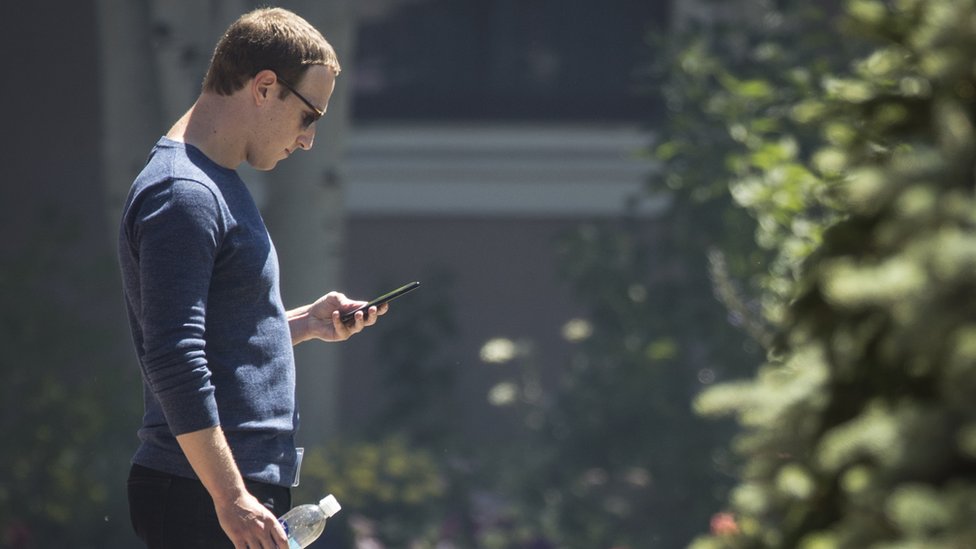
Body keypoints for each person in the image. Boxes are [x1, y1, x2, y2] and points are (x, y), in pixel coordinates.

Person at [118, 8, 383, 548]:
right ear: (265, 87)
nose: (308, 139)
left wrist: (305, 323)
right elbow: (173, 355)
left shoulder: (214, 182)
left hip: (225, 492)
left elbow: (218, 337)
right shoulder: (183, 193)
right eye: (309, 116)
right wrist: (231, 498)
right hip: (205, 494)